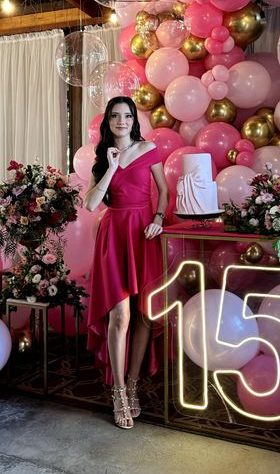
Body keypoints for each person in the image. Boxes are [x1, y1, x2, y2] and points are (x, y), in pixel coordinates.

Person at [84, 96, 168, 430]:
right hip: (114, 236)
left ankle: (133, 383)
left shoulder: (149, 149)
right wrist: (111, 167)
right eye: (116, 116)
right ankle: (118, 392)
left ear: (134, 120)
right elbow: (91, 205)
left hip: (144, 235)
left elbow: (164, 191)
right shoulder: (102, 160)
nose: (122, 121)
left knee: (145, 313)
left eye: (128, 116)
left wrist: (159, 218)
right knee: (121, 315)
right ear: (108, 122)